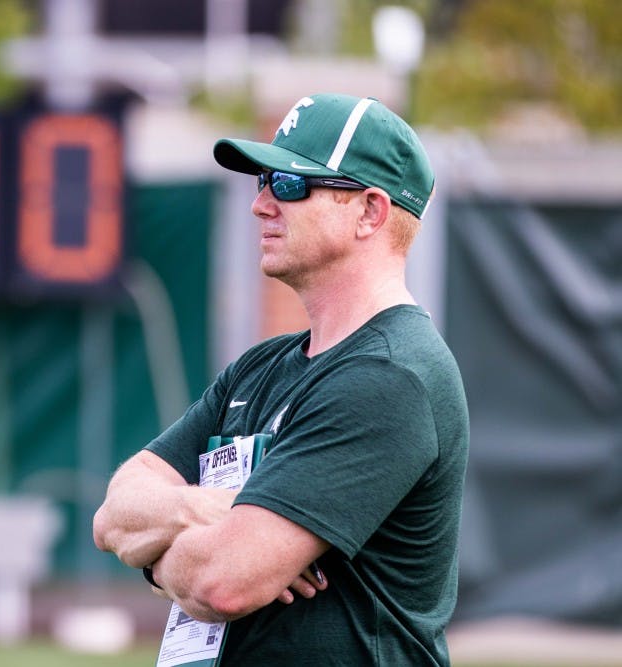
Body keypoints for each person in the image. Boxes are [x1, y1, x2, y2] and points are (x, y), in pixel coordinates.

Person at [92, 93, 470, 665]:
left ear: (370, 211)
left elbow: (224, 583)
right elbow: (113, 515)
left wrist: (165, 551)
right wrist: (214, 512)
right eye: (262, 181)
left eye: (291, 184)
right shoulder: (261, 365)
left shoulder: (390, 376)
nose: (262, 204)